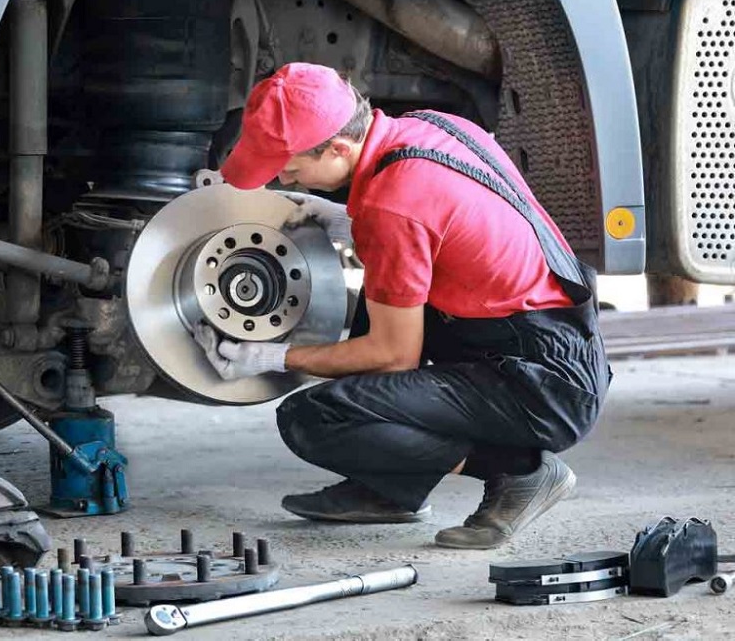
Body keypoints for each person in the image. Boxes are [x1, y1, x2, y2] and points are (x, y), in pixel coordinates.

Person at [193, 62, 611, 549]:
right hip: (548, 335)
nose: (286, 175)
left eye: (292, 166)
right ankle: (390, 489)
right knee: (382, 293)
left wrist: (269, 356)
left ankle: (521, 472)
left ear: (339, 148)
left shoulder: (393, 204)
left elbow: (393, 356)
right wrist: (349, 220)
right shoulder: (430, 126)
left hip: (541, 386)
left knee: (314, 417)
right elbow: (456, 222)